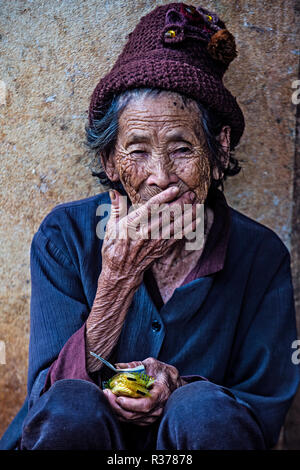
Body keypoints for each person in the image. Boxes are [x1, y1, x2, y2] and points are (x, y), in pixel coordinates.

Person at [1, 2, 299, 451]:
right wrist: (117, 280)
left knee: (203, 409)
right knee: (70, 406)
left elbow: (259, 415)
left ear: (218, 152)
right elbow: (45, 406)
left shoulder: (260, 255)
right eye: (137, 150)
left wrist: (182, 390)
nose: (161, 175)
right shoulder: (64, 236)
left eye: (181, 148)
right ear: (109, 162)